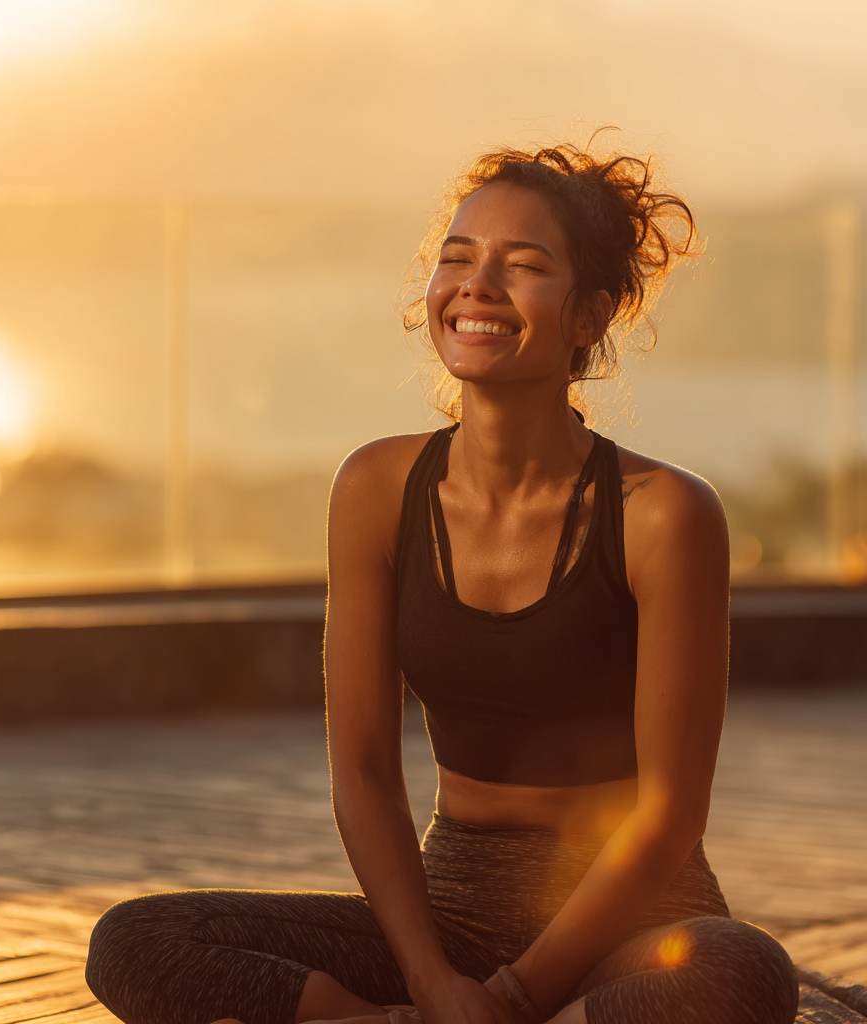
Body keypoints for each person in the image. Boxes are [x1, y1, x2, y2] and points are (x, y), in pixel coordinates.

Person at [84, 143, 799, 1024]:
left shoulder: (664, 514)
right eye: (457, 258)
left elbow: (670, 815)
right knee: (137, 941)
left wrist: (513, 993)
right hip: (448, 909)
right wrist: (429, 981)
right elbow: (364, 770)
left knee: (741, 972)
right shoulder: (376, 490)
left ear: (591, 315)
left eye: (525, 265)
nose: (477, 285)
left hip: (633, 922)